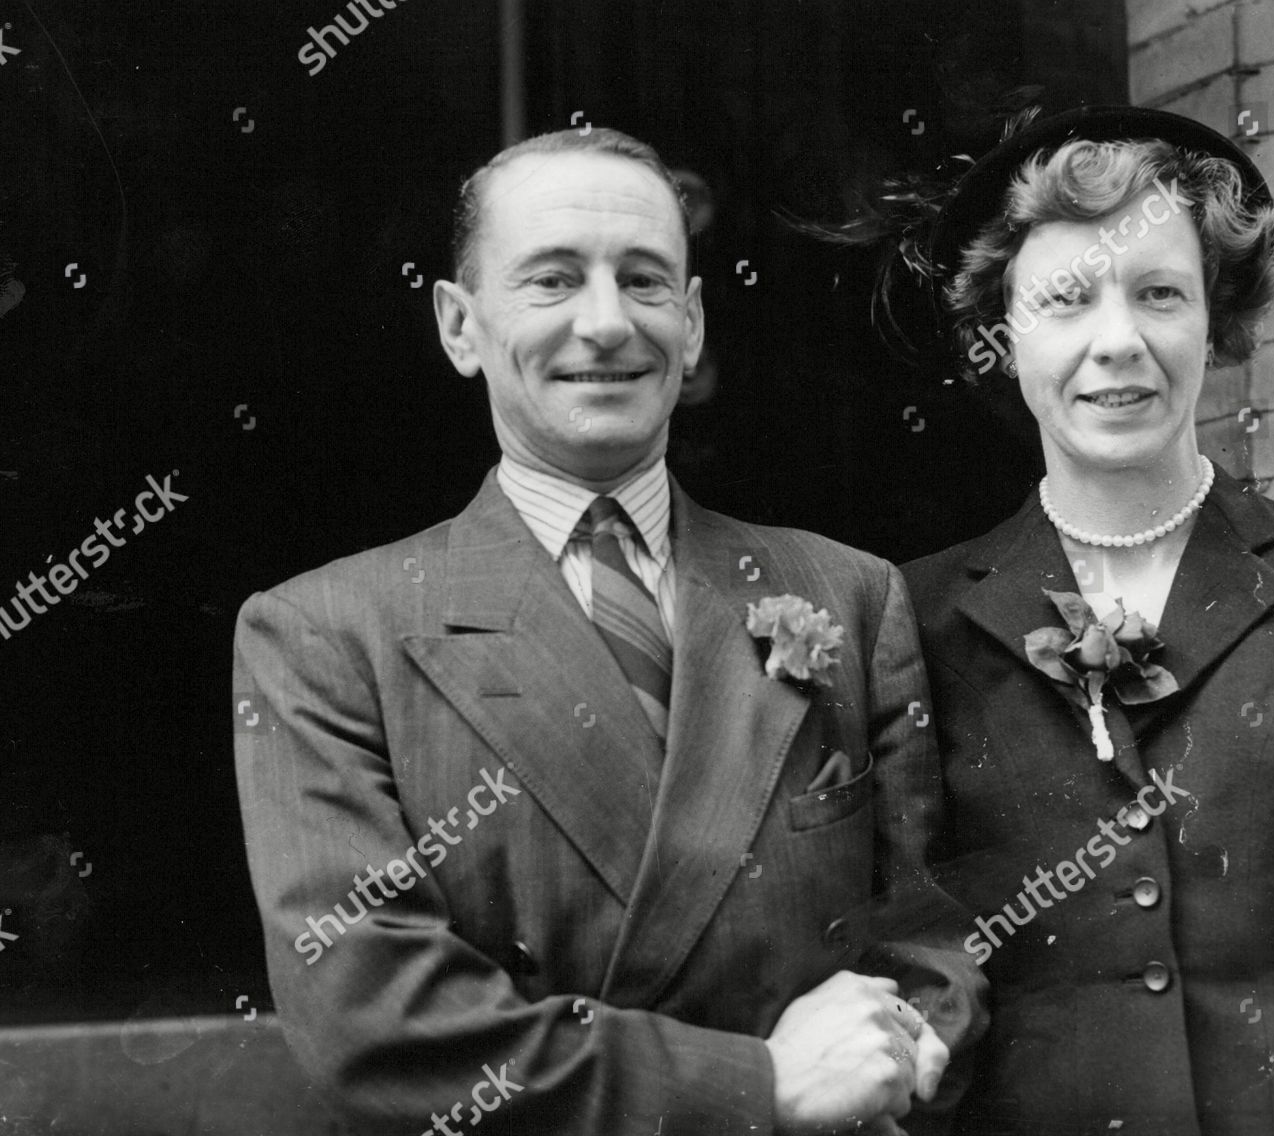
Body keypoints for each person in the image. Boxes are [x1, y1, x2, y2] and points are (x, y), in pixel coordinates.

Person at [231, 127, 985, 1135]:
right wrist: (754, 1085)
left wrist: (912, 1041)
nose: (605, 324)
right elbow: (379, 1022)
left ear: (694, 321)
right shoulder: (325, 636)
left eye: (643, 280)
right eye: (550, 281)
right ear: (461, 326)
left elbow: (927, 932)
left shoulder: (847, 592)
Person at [846, 105, 1274, 1134]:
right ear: (1003, 337)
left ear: (1215, 320)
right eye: (1066, 300)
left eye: (1159, 293)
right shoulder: (909, 618)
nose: (1119, 341)